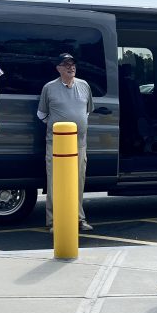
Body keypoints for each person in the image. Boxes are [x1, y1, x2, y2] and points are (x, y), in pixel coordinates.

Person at [38, 52, 93, 232]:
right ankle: (53, 221)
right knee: (55, 182)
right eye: (66, 64)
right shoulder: (49, 87)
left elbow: (87, 112)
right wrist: (60, 128)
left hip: (79, 144)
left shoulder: (84, 85)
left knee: (78, 181)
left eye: (72, 64)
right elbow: (42, 115)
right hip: (56, 144)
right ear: (58, 68)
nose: (71, 67)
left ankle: (79, 219)